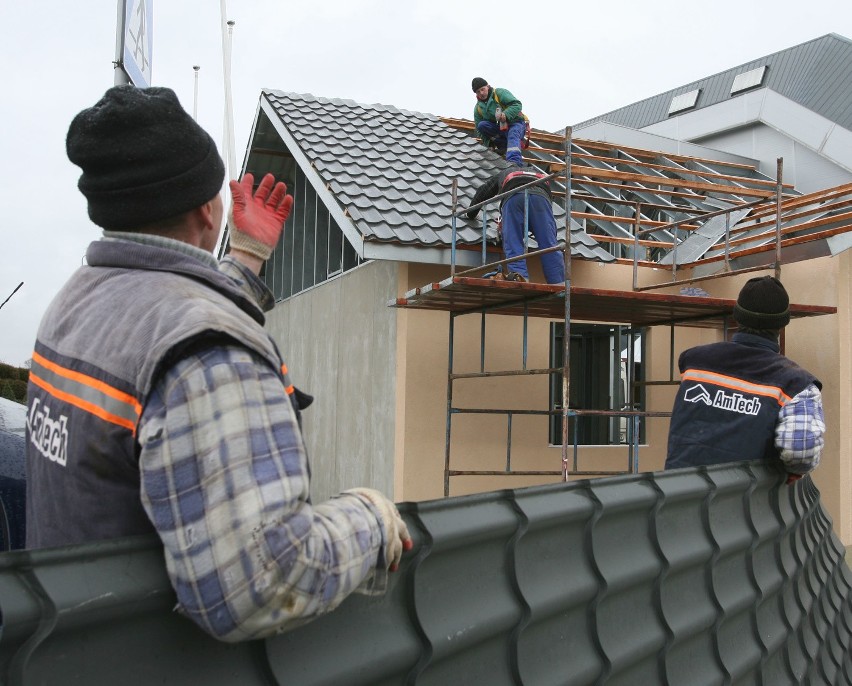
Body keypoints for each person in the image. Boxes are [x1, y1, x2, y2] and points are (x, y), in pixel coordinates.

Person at [25, 85, 411, 642]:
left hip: (60, 650)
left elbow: (161, 325)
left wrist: (246, 259)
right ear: (208, 211)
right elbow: (262, 584)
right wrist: (371, 517)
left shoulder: (75, 302)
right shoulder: (207, 350)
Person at [666, 276, 825, 483]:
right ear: (783, 323)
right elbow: (800, 453)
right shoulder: (796, 384)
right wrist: (794, 471)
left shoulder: (694, 361)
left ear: (737, 316)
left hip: (676, 495)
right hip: (744, 505)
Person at [467, 163, 565, 284]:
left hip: (514, 196)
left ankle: (520, 277)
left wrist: (471, 213)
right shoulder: (539, 174)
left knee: (513, 240)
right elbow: (549, 200)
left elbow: (484, 191)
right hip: (541, 200)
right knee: (549, 244)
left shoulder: (506, 172)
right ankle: (558, 283)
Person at [471, 77, 528, 165]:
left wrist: (506, 114)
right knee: (482, 126)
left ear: (488, 86)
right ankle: (503, 145)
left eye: (483, 89)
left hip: (516, 123)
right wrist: (489, 145)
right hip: (502, 129)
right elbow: (480, 130)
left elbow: (517, 104)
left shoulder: (499, 93)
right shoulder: (478, 108)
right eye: (478, 92)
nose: (481, 93)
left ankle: (514, 162)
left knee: (513, 134)